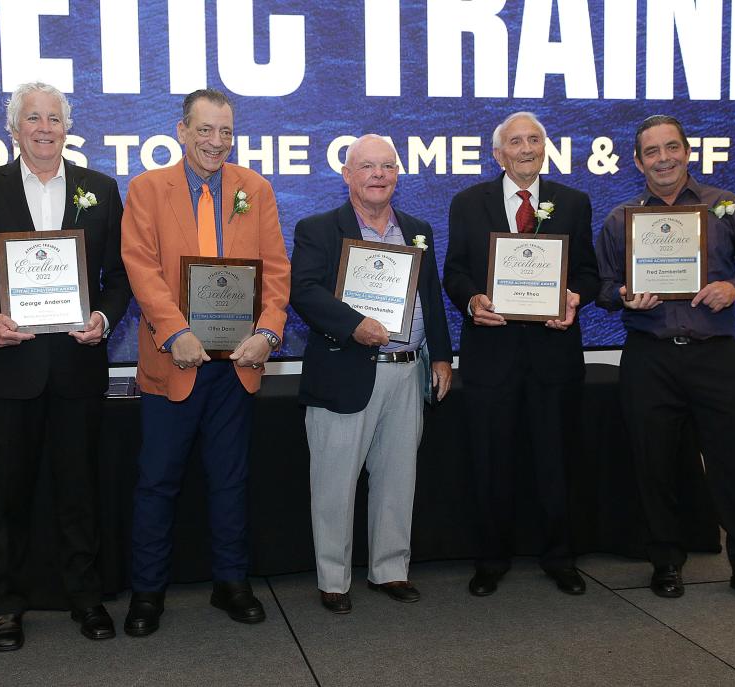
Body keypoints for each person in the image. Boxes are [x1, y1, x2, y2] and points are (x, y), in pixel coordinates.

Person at [0, 82, 132, 651]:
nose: (45, 127)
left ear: (67, 128)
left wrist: (103, 316)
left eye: (54, 118)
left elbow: (121, 278)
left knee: (80, 490)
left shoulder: (99, 189)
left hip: (77, 364)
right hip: (12, 368)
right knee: (10, 494)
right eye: (33, 118)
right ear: (14, 128)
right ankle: (7, 605)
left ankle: (85, 596)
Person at [119, 88, 290, 634]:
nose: (217, 143)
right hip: (175, 365)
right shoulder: (147, 190)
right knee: (157, 483)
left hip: (236, 366)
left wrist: (268, 331)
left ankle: (231, 584)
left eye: (226, 133)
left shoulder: (254, 189)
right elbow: (141, 269)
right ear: (182, 131)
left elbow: (276, 270)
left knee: (230, 480)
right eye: (206, 131)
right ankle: (147, 594)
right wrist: (175, 334)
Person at [595, 114, 735, 608]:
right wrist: (625, 295)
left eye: (671, 147)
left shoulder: (725, 206)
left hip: (714, 356)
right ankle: (666, 563)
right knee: (654, 466)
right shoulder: (621, 220)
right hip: (649, 358)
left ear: (687, 152)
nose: (663, 159)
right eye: (651, 152)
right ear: (637, 162)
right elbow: (603, 287)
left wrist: (731, 286)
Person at [290, 134, 453, 614]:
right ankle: (334, 580)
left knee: (398, 477)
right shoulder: (318, 229)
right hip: (345, 370)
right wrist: (353, 325)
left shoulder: (417, 228)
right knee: (334, 483)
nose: (378, 174)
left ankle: (390, 570)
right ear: (347, 176)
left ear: (398, 175)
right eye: (367, 167)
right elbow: (304, 291)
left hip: (408, 372)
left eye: (387, 166)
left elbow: (433, 298)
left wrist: (441, 356)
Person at [442, 112, 599, 598]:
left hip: (554, 358)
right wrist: (472, 301)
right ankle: (490, 560)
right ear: (498, 153)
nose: (527, 148)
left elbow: (590, 274)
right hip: (492, 357)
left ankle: (560, 557)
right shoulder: (468, 203)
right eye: (516, 141)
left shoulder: (573, 202)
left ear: (545, 148)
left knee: (557, 461)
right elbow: (455, 272)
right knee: (491, 462)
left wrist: (573, 296)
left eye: (535, 139)